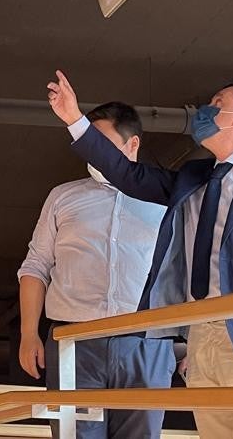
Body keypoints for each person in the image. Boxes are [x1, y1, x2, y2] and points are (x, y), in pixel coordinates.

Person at [45, 71, 233, 439]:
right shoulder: (193, 176)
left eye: (216, 104)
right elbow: (127, 173)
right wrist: (75, 119)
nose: (203, 111)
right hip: (202, 337)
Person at [17, 102, 173, 439]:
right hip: (74, 341)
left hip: (146, 342)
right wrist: (28, 333)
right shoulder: (63, 197)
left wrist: (191, 341)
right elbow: (35, 265)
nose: (93, 152)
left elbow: (183, 274)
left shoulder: (166, 202)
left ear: (132, 145)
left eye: (100, 142)